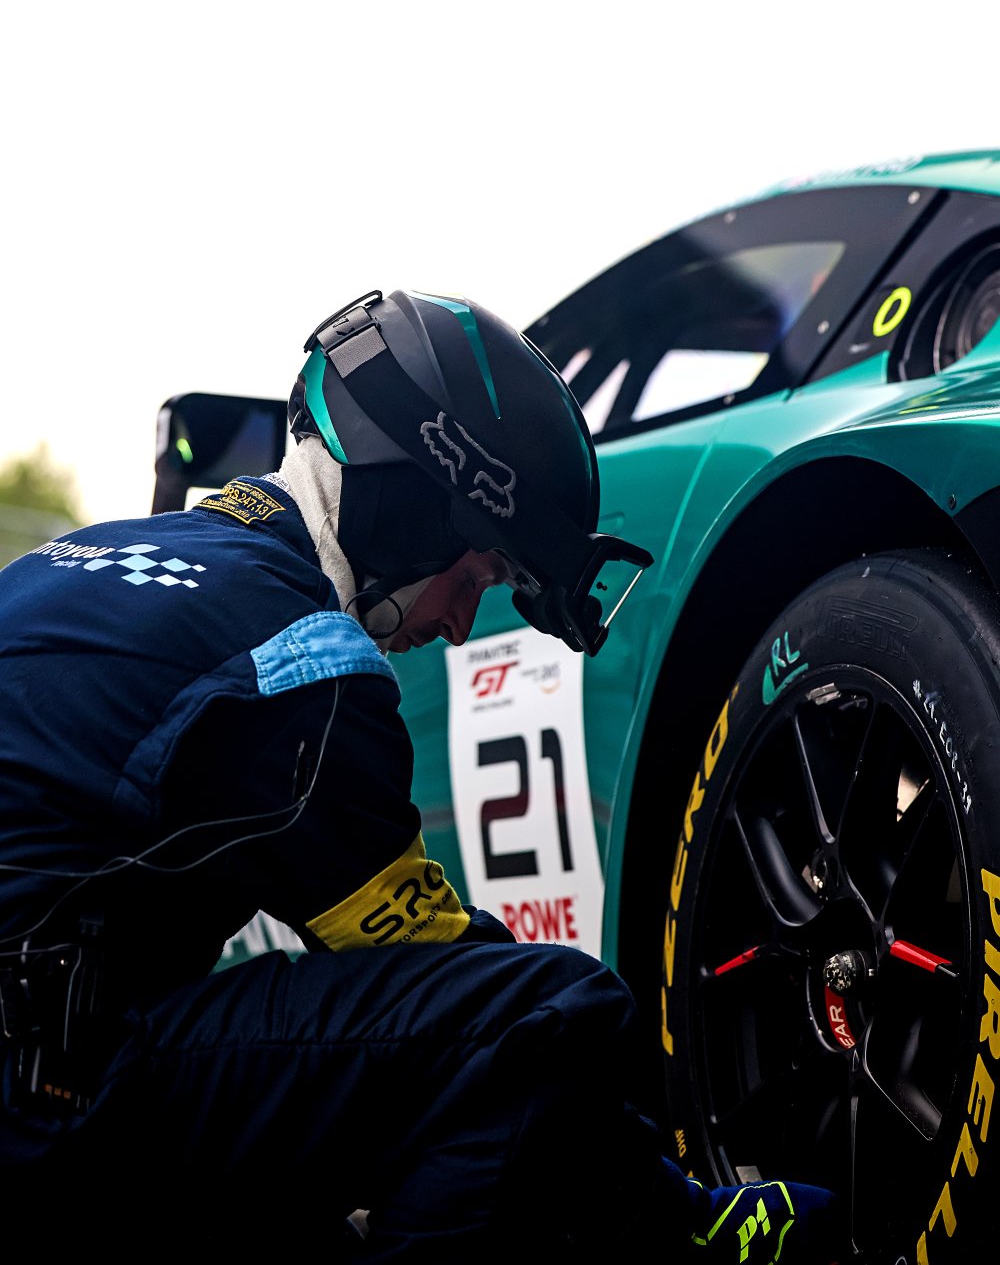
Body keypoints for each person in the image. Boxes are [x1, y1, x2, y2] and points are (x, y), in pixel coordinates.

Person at [0, 289, 841, 1259]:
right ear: (411, 506)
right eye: (476, 576)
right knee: (554, 1008)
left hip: (52, 1074)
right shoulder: (301, 654)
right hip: (45, 1101)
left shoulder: (82, 558)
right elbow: (460, 984)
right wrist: (678, 1216)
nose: (458, 624)